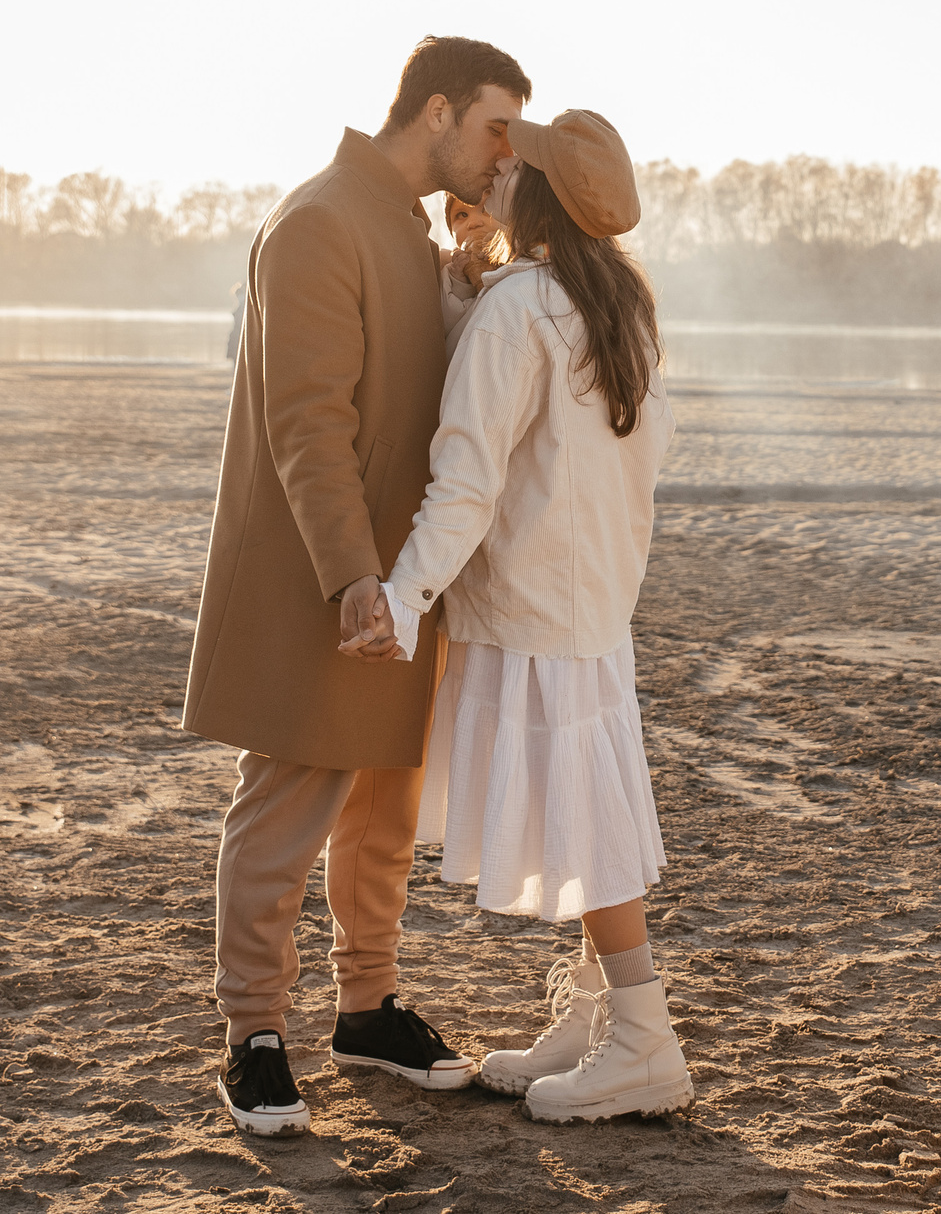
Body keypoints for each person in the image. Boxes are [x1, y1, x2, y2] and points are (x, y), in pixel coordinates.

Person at [181, 36, 529, 1137]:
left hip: (401, 579)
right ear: (436, 112)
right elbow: (308, 423)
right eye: (494, 129)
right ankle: (253, 1036)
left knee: (381, 809)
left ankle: (366, 1008)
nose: (504, 153)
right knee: (287, 807)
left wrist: (465, 270)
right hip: (324, 579)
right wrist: (349, 578)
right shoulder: (323, 219)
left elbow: (420, 381)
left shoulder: (408, 230)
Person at [344, 108, 690, 1123]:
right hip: (589, 604)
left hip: (532, 607)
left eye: (510, 162)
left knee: (582, 818)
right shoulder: (614, 303)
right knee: (586, 807)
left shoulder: (520, 307)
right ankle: (597, 1018)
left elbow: (466, 479)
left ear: (536, 192)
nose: (491, 171)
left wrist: (402, 597)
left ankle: (642, 1036)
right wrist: (469, 294)